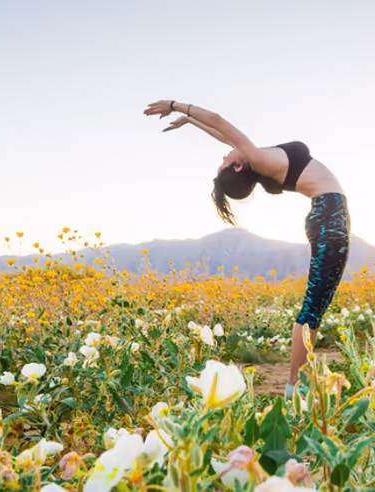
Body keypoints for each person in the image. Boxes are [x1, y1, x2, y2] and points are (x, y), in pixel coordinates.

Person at [144, 99, 350, 398]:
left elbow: (221, 133)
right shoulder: (258, 159)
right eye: (224, 162)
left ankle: (298, 384)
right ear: (239, 166)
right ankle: (296, 387)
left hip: (329, 214)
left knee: (316, 304)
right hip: (329, 216)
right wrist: (177, 106)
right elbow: (220, 121)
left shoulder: (256, 158)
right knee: (313, 307)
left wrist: (189, 122)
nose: (224, 155)